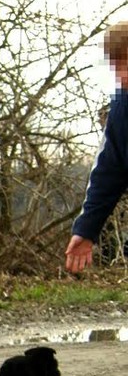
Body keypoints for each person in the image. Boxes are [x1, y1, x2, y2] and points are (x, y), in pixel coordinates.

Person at [65, 21, 128, 274]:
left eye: (127, 63)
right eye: (116, 66)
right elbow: (109, 172)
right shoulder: (122, 111)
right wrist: (86, 229)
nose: (122, 76)